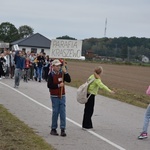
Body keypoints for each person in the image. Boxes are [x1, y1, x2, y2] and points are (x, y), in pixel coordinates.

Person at [47, 59, 71, 136]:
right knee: (55, 112)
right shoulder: (51, 75)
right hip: (54, 96)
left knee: (63, 112)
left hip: (62, 95)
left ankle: (63, 129)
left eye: (59, 66)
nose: (58, 67)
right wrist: (58, 85)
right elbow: (49, 85)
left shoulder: (62, 73)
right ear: (53, 66)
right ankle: (53, 128)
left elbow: (69, 80)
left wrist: (66, 72)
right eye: (57, 66)